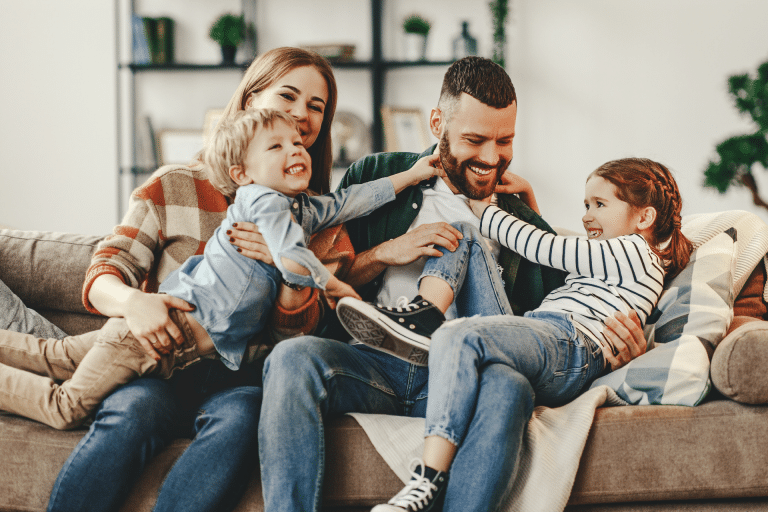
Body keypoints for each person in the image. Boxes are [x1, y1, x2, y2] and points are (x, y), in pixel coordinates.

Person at [257, 56, 650, 512]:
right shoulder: (377, 174)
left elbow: (556, 322)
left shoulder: (516, 212)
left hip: (467, 375)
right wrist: (385, 252)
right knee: (292, 357)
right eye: (474, 140)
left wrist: (618, 346)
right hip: (376, 364)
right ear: (437, 123)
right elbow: (323, 281)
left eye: (505, 141)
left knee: (510, 384)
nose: (490, 158)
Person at [26, 47, 345, 512]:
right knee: (132, 411)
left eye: (316, 107)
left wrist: (289, 273)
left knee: (241, 417)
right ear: (251, 100)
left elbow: (291, 339)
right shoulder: (175, 182)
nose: (301, 114)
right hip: (158, 366)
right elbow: (105, 271)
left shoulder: (312, 217)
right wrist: (135, 304)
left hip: (238, 377)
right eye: (288, 96)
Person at [0, 108, 441, 431]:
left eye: (298, 143)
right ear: (242, 173)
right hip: (152, 337)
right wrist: (336, 287)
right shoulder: (263, 203)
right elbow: (290, 254)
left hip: (170, 349)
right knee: (66, 408)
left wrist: (411, 175)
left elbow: (350, 201)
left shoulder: (299, 207)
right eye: (277, 146)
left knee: (54, 357)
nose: (296, 150)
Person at [337, 157, 692, 512]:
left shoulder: (635, 251)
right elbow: (556, 262)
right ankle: (424, 316)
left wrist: (487, 209)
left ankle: (427, 479)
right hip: (544, 335)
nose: (586, 216)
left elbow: (548, 250)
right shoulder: (612, 261)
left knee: (458, 335)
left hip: (571, 343)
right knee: (463, 236)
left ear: (644, 218)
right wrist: (528, 200)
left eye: (600, 204)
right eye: (586, 205)